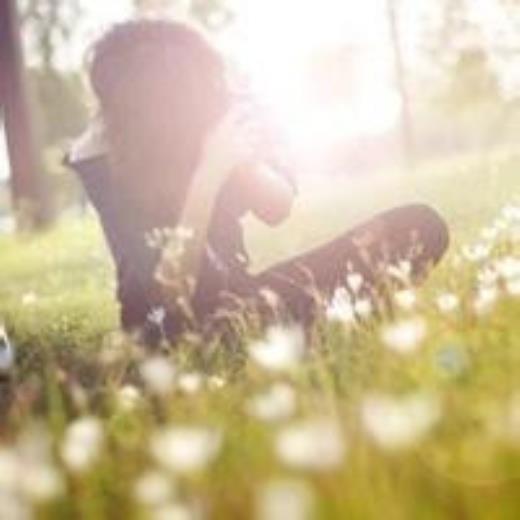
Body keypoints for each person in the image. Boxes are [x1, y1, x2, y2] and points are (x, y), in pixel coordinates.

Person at [66, 20, 449, 346]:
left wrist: (242, 156)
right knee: (228, 328)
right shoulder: (101, 155)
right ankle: (302, 335)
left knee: (419, 225)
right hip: (170, 332)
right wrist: (209, 173)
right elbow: (169, 294)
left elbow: (276, 209)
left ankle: (301, 334)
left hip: (242, 301)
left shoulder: (203, 123)